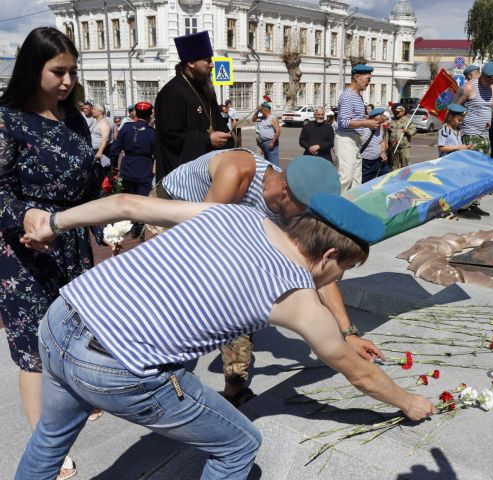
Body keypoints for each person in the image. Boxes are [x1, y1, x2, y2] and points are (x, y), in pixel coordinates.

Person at [17, 192, 436, 479]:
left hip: (62, 319)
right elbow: (359, 375)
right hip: (115, 367)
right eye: (344, 269)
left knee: (51, 437)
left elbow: (127, 203)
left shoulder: (239, 214)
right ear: (329, 255)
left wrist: (52, 224)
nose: (338, 278)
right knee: (238, 444)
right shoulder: (298, 297)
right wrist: (410, 403)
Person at [157, 151, 382, 403]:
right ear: (285, 190)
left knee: (244, 295)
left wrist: (347, 333)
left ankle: (235, 383)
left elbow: (317, 271)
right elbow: (201, 241)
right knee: (181, 297)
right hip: (173, 215)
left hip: (228, 225)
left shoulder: (295, 210)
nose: (308, 219)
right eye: (306, 210)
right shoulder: (238, 172)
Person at [0, 26, 99, 480]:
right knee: (34, 349)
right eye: (58, 71)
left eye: (72, 72)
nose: (67, 81)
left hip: (72, 242)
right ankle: (46, 446)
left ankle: (78, 399)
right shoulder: (7, 120)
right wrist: (28, 217)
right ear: (31, 68)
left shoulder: (75, 118)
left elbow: (88, 180)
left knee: (75, 334)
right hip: (24, 250)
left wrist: (105, 218)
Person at [154, 31, 232, 182]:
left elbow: (217, 121)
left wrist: (229, 137)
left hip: (208, 168)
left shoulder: (205, 88)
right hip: (182, 176)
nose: (212, 65)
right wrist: (207, 140)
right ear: (191, 63)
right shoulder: (172, 92)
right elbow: (170, 137)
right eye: (207, 60)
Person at [456, 62, 493, 218]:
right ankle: (463, 207)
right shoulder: (468, 88)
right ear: (482, 75)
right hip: (470, 135)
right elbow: (455, 109)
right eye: (488, 80)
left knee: (480, 173)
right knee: (469, 172)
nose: (490, 83)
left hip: (484, 135)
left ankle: (475, 204)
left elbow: (491, 112)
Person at [108, 101, 156, 238]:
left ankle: (134, 223)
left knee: (130, 197)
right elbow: (157, 154)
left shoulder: (126, 128)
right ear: (149, 115)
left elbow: (114, 150)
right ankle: (140, 224)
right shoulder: (152, 133)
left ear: (135, 112)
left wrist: (114, 167)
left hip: (128, 167)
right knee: (142, 198)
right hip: (144, 168)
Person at [335, 64, 381, 191]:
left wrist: (369, 120)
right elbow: (344, 122)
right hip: (346, 140)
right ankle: (333, 206)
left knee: (356, 180)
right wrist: (366, 124)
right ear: (357, 77)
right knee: (346, 178)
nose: (369, 83)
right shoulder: (348, 95)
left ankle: (350, 206)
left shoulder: (358, 96)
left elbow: (356, 119)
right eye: (368, 79)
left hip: (355, 141)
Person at [361, 107, 390, 182]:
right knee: (365, 183)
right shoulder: (363, 128)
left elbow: (382, 141)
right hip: (365, 163)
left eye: (383, 115)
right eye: (380, 115)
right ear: (373, 117)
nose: (383, 117)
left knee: (387, 177)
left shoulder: (380, 126)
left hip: (378, 161)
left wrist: (383, 151)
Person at [252, 101, 281, 167]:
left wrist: (273, 142)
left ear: (265, 110)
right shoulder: (262, 118)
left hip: (270, 142)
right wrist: (257, 111)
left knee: (274, 162)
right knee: (267, 162)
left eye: (261, 111)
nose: (261, 112)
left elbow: (278, 131)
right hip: (263, 142)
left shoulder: (272, 118)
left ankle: (277, 175)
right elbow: (254, 119)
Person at [388, 105, 416, 170]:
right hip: (393, 146)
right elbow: (388, 132)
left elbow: (414, 130)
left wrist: (408, 131)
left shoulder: (407, 121)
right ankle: (395, 177)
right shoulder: (392, 120)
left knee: (405, 164)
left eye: (398, 112)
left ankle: (405, 177)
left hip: (404, 146)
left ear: (403, 112)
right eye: (396, 112)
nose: (396, 113)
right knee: (394, 165)